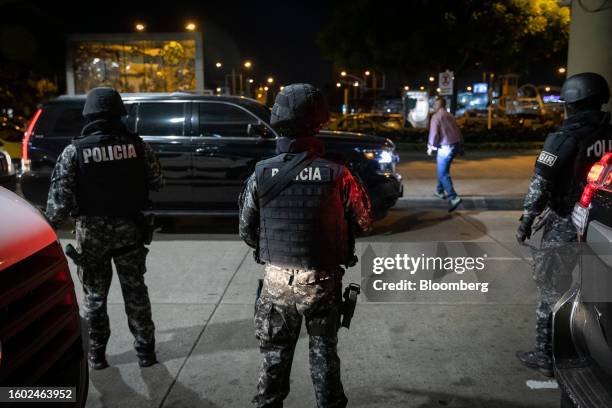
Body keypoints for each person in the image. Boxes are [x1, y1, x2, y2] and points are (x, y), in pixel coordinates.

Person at [239, 83, 372, 408]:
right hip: (321, 282)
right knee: (324, 356)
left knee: (273, 359)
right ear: (319, 122)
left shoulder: (261, 173)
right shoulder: (339, 174)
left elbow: (246, 229)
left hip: (276, 281)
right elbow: (365, 221)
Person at [46, 87, 164, 370]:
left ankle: (97, 356)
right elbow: (158, 182)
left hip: (92, 235)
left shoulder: (74, 151)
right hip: (130, 232)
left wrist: (47, 227)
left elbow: (59, 204)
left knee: (94, 298)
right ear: (119, 113)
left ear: (88, 114)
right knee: (136, 292)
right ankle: (145, 352)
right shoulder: (138, 146)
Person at [516, 72, 612, 377]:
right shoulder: (609, 132)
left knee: (550, 287)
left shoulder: (564, 137)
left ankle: (546, 355)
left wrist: (527, 219)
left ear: (570, 103)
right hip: (602, 221)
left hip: (567, 221)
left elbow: (540, 185)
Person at [427, 96, 463, 211]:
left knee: (442, 173)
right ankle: (439, 191)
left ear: (438, 105)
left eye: (435, 104)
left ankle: (453, 197)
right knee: (443, 169)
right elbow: (458, 131)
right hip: (454, 145)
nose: (434, 106)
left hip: (445, 147)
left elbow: (434, 134)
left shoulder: (436, 117)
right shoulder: (450, 115)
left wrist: (431, 147)